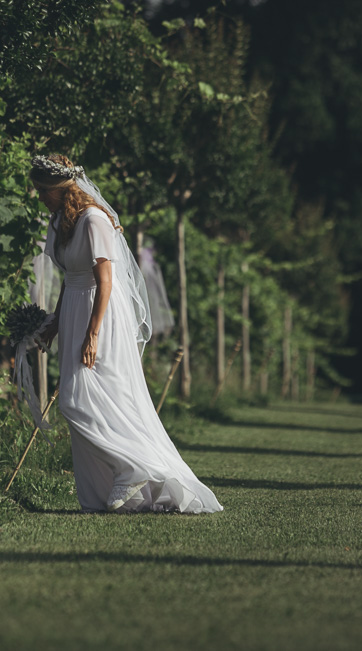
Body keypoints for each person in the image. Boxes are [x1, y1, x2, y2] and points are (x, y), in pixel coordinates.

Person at [30, 154, 223, 514]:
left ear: (61, 189)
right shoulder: (60, 222)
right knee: (95, 399)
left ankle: (131, 467)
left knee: (77, 400)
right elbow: (70, 279)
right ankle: (111, 491)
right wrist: (55, 322)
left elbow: (105, 282)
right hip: (74, 309)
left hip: (100, 312)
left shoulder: (94, 220)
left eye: (43, 191)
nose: (40, 197)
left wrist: (93, 334)